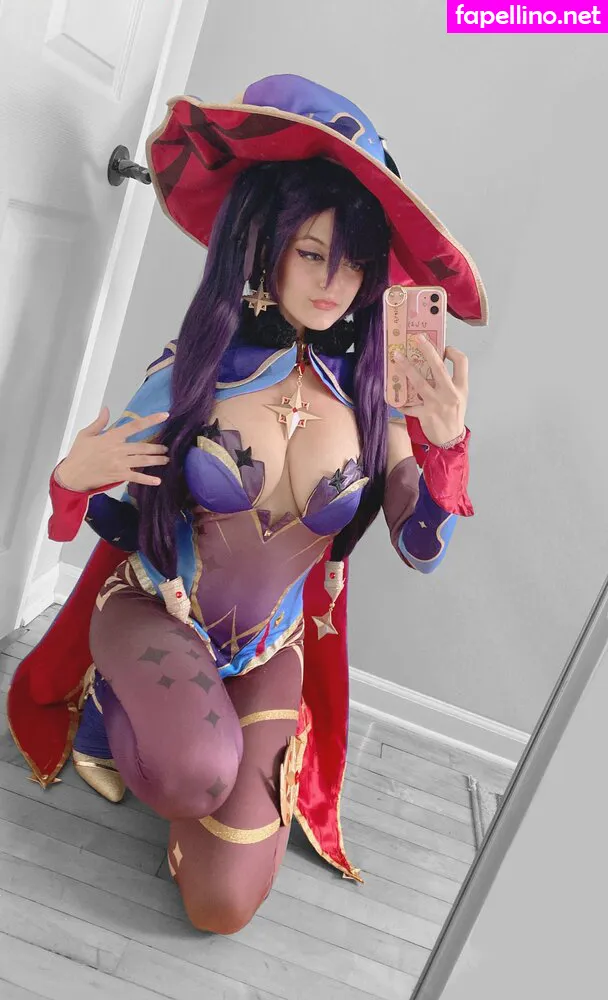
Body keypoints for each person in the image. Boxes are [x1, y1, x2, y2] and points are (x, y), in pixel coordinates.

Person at [7, 74, 488, 935]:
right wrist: (73, 476)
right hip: (159, 610)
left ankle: (198, 741)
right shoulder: (202, 365)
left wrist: (446, 447)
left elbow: (422, 549)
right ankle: (112, 714)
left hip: (269, 647)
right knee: (195, 773)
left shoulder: (377, 405)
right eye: (313, 252)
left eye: (354, 261)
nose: (334, 282)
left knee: (222, 906)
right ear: (266, 242)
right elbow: (83, 495)